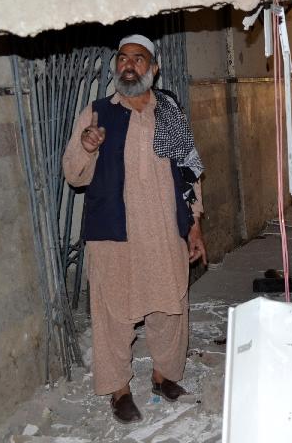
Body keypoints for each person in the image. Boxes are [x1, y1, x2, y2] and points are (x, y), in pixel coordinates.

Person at [62, 34, 206, 423]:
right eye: (122, 58)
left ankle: (164, 376)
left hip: (164, 230)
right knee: (114, 314)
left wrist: (193, 226)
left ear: (153, 69)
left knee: (170, 306)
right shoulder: (97, 113)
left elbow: (189, 174)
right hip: (114, 232)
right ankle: (119, 390)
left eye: (138, 59)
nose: (128, 65)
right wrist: (87, 147)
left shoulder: (170, 112)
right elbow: (74, 174)